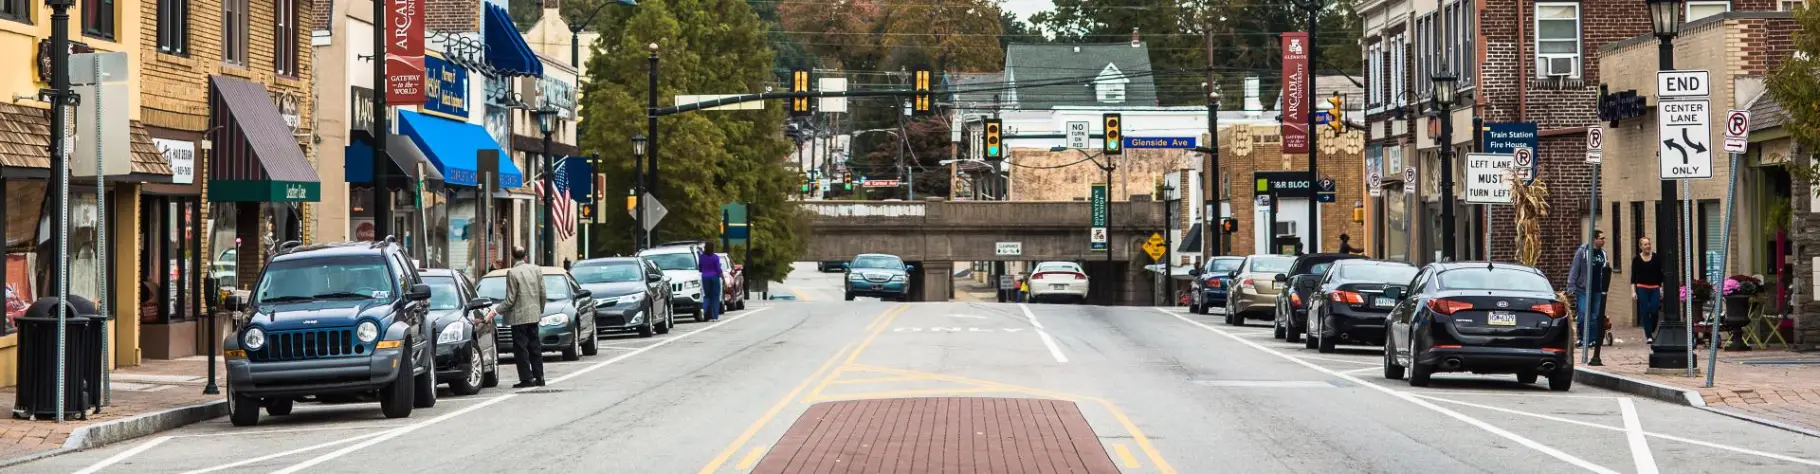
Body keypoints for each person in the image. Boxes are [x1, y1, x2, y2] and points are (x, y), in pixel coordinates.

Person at [497, 247, 546, 387]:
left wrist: (495, 311)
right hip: (534, 314)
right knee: (535, 346)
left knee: (521, 348)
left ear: (512, 256)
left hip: (518, 317)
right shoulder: (536, 269)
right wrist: (539, 309)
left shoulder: (512, 273)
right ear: (525, 256)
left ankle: (527, 378)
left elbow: (510, 299)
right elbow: (543, 292)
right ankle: (540, 376)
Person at [1567, 231, 1612, 348]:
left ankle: (1592, 339)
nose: (1603, 241)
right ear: (1594, 239)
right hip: (1583, 289)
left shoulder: (1603, 253)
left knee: (1595, 315)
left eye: (1604, 238)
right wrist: (1571, 285)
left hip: (1598, 289)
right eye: (1601, 238)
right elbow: (1575, 268)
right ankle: (1581, 338)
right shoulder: (1583, 251)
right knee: (1583, 313)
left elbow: (1606, 269)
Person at [1629, 237, 1665, 344]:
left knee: (1654, 310)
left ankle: (1652, 328)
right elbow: (1633, 277)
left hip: (1654, 287)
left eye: (1649, 244)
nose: (1648, 246)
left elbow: (1660, 275)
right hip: (1642, 287)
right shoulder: (1636, 259)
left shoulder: (1656, 258)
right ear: (1640, 247)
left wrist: (1661, 288)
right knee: (1645, 311)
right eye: (1645, 244)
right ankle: (1649, 335)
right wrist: (1633, 291)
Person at [699, 243, 724, 322]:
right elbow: (718, 269)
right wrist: (722, 276)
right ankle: (714, 316)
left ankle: (704, 309)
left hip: (705, 277)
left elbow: (700, 268)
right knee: (715, 297)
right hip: (714, 277)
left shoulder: (701, 257)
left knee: (707, 296)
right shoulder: (715, 257)